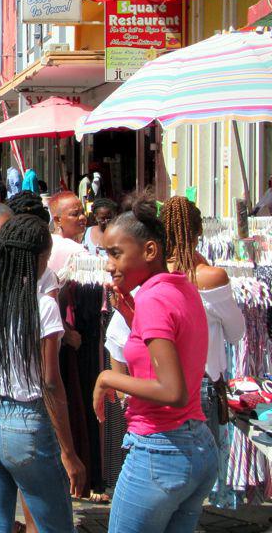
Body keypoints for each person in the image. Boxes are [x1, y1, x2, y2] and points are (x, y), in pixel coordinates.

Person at [0, 215, 86, 533]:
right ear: (37, 258)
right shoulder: (41, 307)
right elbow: (51, 383)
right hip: (25, 422)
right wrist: (69, 452)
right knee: (55, 525)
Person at [93, 197, 217, 533]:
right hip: (197, 446)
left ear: (149, 251)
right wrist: (130, 315)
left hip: (160, 450)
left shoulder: (153, 299)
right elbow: (169, 354)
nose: (108, 264)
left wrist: (107, 377)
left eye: (115, 253)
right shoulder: (181, 286)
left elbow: (171, 390)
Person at [162, 195, 244, 498]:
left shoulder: (152, 275)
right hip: (202, 385)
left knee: (170, 473)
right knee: (197, 480)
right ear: (198, 233)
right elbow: (237, 332)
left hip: (157, 384)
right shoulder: (210, 277)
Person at [47, 191, 88, 275]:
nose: (82, 217)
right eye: (75, 214)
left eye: (83, 212)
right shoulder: (77, 251)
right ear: (58, 220)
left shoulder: (47, 242)